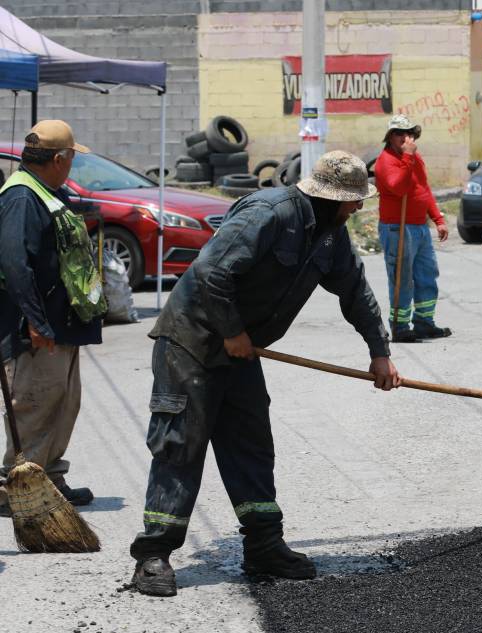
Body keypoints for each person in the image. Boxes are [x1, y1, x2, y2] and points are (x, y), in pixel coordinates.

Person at [129, 151, 402, 597]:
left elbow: (354, 289)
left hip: (241, 352)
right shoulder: (269, 213)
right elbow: (211, 272)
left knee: (251, 444)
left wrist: (379, 352)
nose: (358, 206)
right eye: (354, 200)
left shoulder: (331, 234)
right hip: (192, 343)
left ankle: (263, 546)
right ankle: (153, 555)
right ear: (332, 198)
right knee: (180, 444)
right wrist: (232, 331)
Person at [0, 120, 103, 518]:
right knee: (34, 404)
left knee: (63, 402)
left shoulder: (46, 191)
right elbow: (14, 263)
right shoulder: (21, 197)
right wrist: (35, 321)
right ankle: (15, 489)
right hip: (36, 329)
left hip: (62, 325)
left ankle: (50, 478)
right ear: (58, 159)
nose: (72, 164)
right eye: (72, 158)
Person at [375, 114, 451, 342]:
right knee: (402, 279)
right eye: (399, 133)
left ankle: (424, 323)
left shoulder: (415, 158)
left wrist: (437, 219)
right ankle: (399, 327)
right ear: (390, 137)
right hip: (397, 228)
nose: (405, 137)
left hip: (419, 227)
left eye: (409, 133)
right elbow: (399, 188)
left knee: (427, 275)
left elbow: (423, 189)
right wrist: (407, 158)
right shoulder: (385, 161)